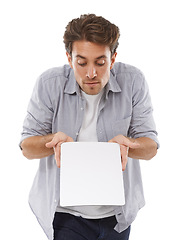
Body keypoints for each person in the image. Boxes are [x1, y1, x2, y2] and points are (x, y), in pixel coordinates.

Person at [20, 14, 159, 240]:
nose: (91, 73)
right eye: (82, 63)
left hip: (118, 217)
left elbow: (150, 147)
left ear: (112, 59)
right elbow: (27, 147)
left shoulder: (133, 80)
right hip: (66, 215)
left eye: (100, 63)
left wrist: (130, 145)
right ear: (69, 58)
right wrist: (53, 140)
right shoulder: (49, 83)